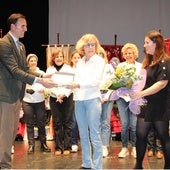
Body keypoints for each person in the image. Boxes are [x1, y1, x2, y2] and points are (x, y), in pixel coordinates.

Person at [0, 13, 57, 169]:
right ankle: (4, 166)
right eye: (22, 26)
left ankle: (5, 165)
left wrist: (42, 74)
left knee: (11, 132)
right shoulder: (4, 44)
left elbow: (24, 69)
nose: (26, 29)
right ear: (13, 26)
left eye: (26, 26)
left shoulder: (21, 45)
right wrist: (40, 81)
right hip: (6, 95)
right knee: (5, 133)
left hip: (16, 95)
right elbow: (14, 70)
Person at [131, 30, 170, 169]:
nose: (144, 45)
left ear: (156, 44)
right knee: (140, 135)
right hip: (146, 104)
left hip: (160, 105)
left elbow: (162, 83)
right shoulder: (148, 62)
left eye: (147, 42)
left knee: (163, 136)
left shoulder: (165, 61)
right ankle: (138, 166)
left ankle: (168, 166)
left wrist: (141, 93)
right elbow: (141, 81)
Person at [67, 34, 105, 169]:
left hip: (92, 99)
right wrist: (68, 85)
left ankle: (97, 166)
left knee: (94, 133)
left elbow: (96, 82)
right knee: (82, 134)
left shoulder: (99, 61)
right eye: (87, 45)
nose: (90, 47)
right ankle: (87, 163)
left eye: (93, 44)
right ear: (82, 47)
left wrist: (77, 85)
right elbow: (76, 80)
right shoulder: (80, 62)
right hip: (79, 99)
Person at [46, 48, 74, 156]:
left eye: (61, 56)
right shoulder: (50, 70)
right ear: (53, 58)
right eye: (56, 56)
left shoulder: (69, 69)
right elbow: (48, 84)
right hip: (54, 97)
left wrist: (64, 94)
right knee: (57, 123)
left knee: (67, 122)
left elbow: (72, 84)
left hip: (67, 97)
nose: (59, 58)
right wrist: (57, 94)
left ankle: (67, 146)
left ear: (63, 58)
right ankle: (58, 147)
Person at [116, 43, 142, 158]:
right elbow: (115, 82)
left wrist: (134, 91)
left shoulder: (140, 66)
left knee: (134, 124)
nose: (128, 55)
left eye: (130, 53)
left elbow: (142, 82)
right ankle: (124, 148)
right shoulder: (120, 66)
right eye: (126, 53)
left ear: (135, 54)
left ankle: (135, 147)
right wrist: (123, 89)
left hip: (135, 98)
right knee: (125, 124)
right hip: (122, 98)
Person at [22, 53, 51, 154]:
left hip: (39, 101)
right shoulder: (25, 73)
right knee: (29, 123)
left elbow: (47, 85)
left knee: (41, 123)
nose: (33, 62)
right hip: (27, 101)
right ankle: (31, 145)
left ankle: (43, 144)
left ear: (37, 62)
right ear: (28, 62)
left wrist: (43, 90)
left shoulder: (41, 73)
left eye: (35, 60)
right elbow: (21, 86)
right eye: (31, 61)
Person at [99, 46, 115, 157]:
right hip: (95, 97)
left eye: (101, 55)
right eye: (97, 55)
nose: (99, 57)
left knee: (105, 121)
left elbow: (113, 83)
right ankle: (98, 145)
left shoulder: (109, 67)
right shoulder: (91, 68)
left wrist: (106, 96)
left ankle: (104, 146)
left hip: (107, 97)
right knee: (96, 122)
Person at [69, 50, 81, 153]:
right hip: (72, 99)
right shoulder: (69, 70)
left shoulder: (85, 70)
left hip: (83, 98)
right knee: (73, 122)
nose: (77, 59)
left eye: (78, 57)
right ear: (71, 59)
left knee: (84, 122)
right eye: (75, 58)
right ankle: (74, 143)